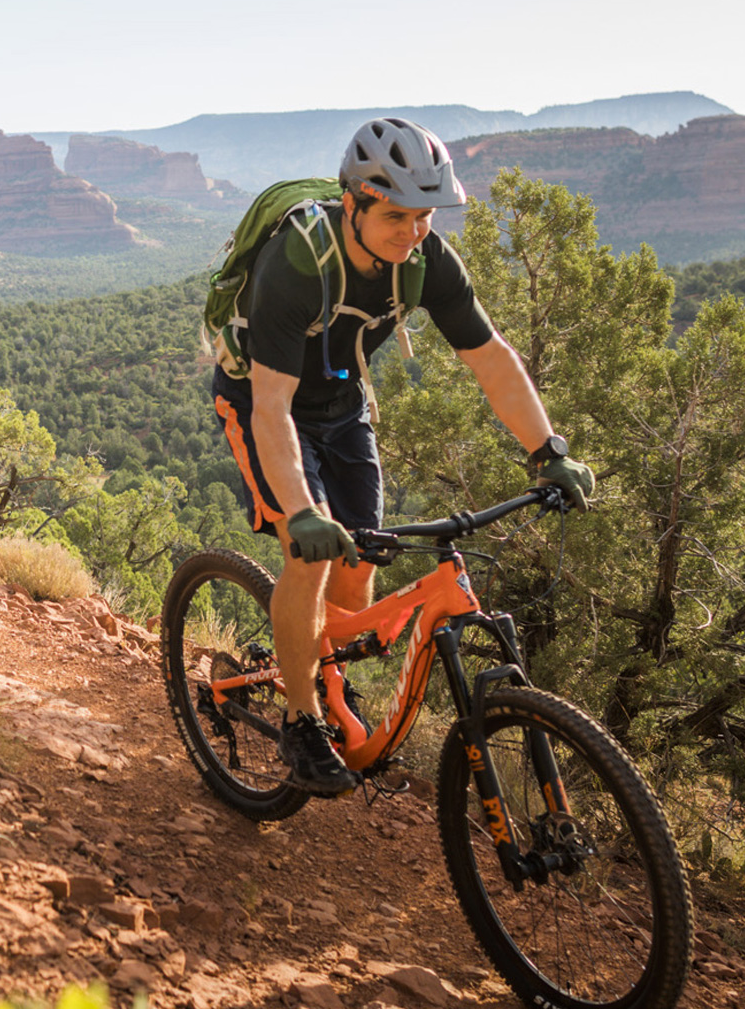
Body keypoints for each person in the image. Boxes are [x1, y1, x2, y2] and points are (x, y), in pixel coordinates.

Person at [213, 116, 594, 795]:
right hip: (261, 402)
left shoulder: (426, 263)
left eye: (424, 215)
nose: (413, 230)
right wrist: (301, 513)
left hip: (341, 403)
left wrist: (547, 449)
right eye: (395, 214)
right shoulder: (298, 263)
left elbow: (493, 359)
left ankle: (327, 681)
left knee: (359, 573)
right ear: (352, 201)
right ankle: (302, 719)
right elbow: (271, 408)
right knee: (312, 559)